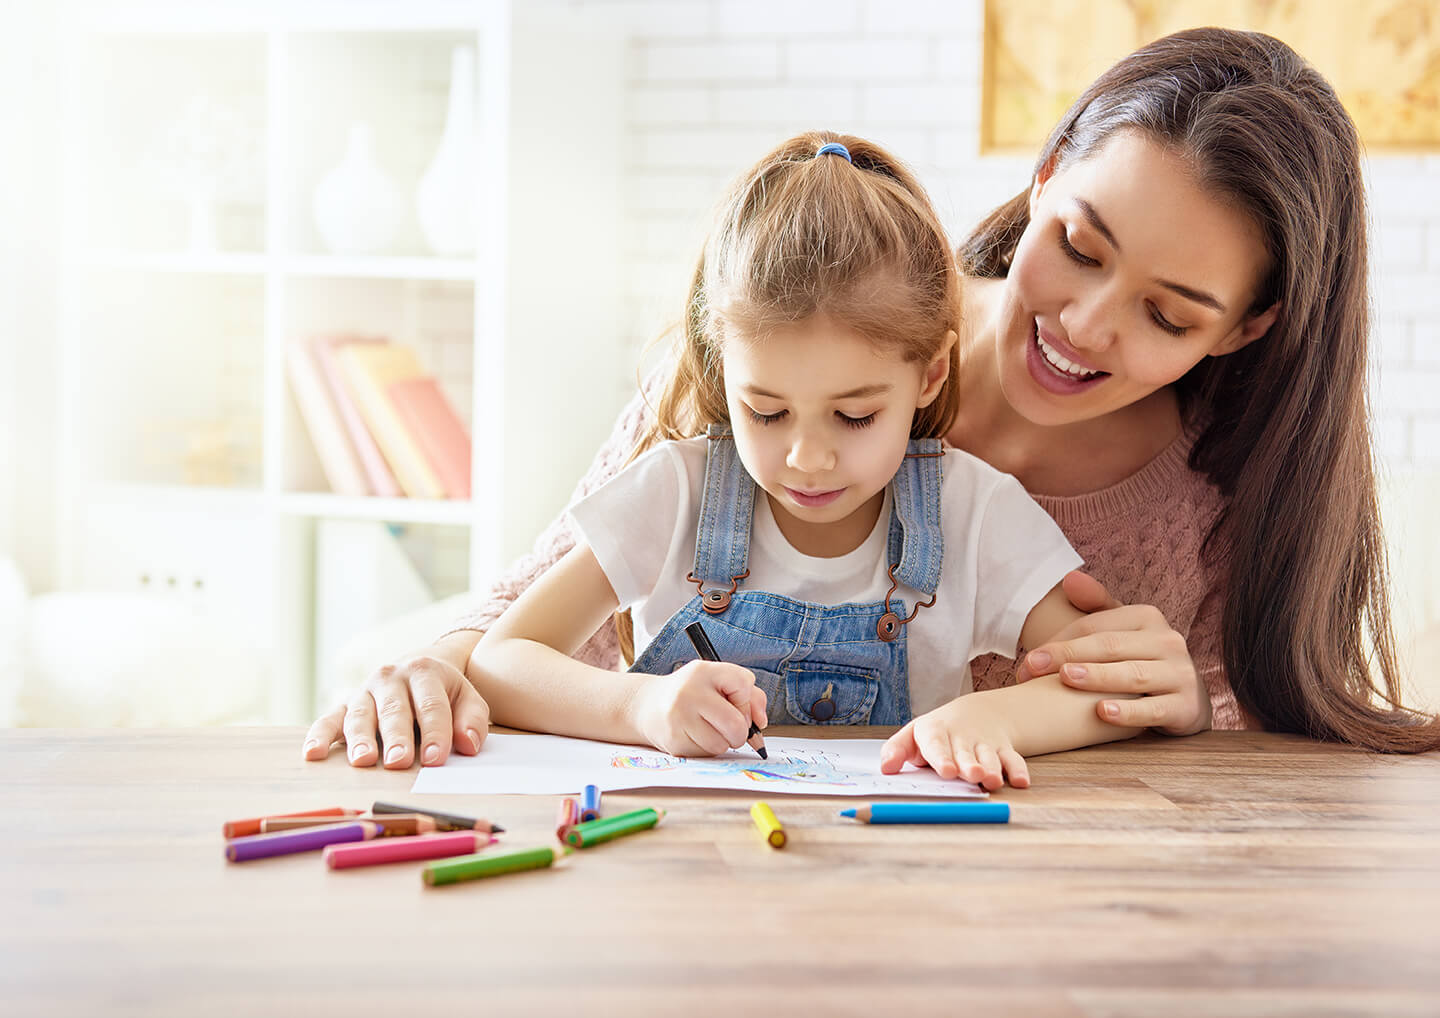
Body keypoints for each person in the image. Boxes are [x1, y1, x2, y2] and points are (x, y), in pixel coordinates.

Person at [304, 27, 1440, 772]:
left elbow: (1238, 767)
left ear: (1246, 328)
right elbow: (530, 614)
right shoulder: (806, 327)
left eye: (1168, 314)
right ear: (1041, 180)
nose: (1088, 324)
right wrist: (436, 665)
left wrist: (1185, 707)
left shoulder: (1216, 497)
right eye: (1079, 246)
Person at [463, 131, 1164, 789]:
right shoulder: (676, 493)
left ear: (929, 375)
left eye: (855, 415)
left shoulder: (973, 513)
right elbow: (501, 662)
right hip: (682, 868)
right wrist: (640, 708)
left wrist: (994, 714)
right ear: (722, 368)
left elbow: (1102, 685)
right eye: (764, 412)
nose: (805, 458)